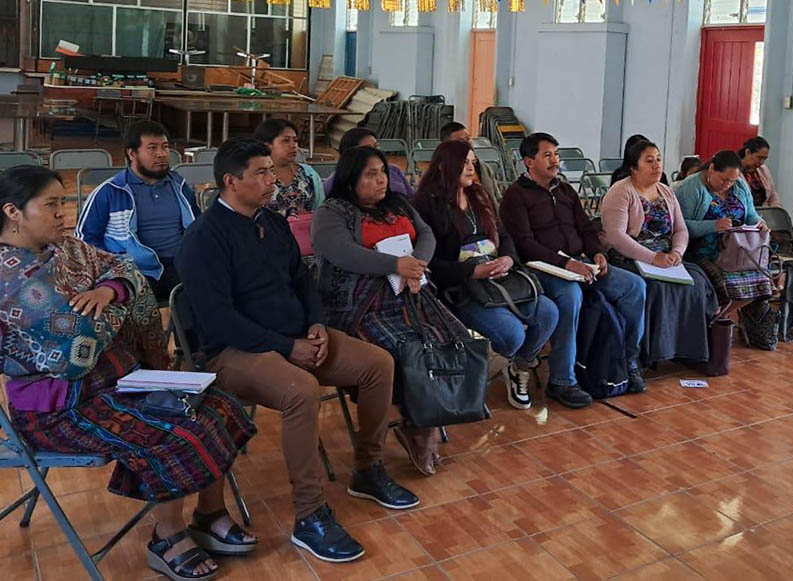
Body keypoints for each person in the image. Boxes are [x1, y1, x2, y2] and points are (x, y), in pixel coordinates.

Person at [1, 165, 256, 581]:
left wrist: (108, 291)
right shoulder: (9, 279)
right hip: (60, 409)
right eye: (51, 205)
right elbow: (78, 346)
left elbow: (126, 269)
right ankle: (167, 536)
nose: (63, 213)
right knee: (174, 429)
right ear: (13, 212)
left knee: (216, 405)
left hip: (114, 382)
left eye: (63, 202)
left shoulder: (66, 248)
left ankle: (209, 515)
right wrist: (122, 299)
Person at [177, 138, 418, 565]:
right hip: (233, 352)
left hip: (296, 337)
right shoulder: (203, 238)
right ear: (231, 182)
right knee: (300, 390)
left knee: (378, 363)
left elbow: (302, 280)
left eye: (271, 170)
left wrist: (316, 324)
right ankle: (310, 515)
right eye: (262, 173)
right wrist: (288, 347)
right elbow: (218, 321)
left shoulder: (271, 222)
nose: (273, 180)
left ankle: (368, 469)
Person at [313, 145, 477, 473]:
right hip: (361, 303)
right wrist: (395, 265)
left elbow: (426, 236)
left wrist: (416, 266)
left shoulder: (398, 204)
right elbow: (343, 252)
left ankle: (425, 420)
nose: (381, 180)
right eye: (371, 174)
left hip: (411, 293)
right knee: (408, 350)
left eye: (383, 173)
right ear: (350, 179)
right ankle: (420, 426)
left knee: (452, 338)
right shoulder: (332, 212)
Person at [500, 132, 647, 407]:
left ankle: (628, 362)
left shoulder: (565, 190)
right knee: (570, 296)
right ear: (529, 162)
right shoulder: (515, 196)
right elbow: (524, 244)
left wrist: (597, 253)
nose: (555, 160)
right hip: (542, 268)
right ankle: (562, 380)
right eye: (547, 155)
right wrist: (566, 263)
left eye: (556, 154)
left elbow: (585, 228)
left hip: (581, 262)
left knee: (634, 286)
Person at [411, 140, 560, 409]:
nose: (472, 168)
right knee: (511, 334)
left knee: (548, 312)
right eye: (465, 163)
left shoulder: (479, 194)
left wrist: (508, 258)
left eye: (473, 162)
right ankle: (498, 364)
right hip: (462, 286)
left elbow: (504, 235)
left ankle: (518, 365)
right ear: (445, 166)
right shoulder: (426, 203)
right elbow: (429, 262)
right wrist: (471, 270)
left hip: (500, 276)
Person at [601, 140, 717, 365]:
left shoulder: (665, 191)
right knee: (657, 289)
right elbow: (616, 237)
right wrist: (653, 258)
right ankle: (651, 353)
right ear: (633, 167)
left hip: (665, 256)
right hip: (632, 256)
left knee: (697, 283)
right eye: (649, 161)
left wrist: (677, 252)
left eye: (658, 159)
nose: (657, 165)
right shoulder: (621, 192)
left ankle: (686, 351)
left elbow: (681, 229)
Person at [76, 120, 199, 304]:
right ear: (132, 154)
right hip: (134, 270)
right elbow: (85, 241)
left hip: (180, 265)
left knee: (209, 298)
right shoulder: (110, 192)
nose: (161, 154)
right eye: (152, 148)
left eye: (165, 147)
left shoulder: (179, 186)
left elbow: (199, 227)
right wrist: (112, 266)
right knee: (121, 303)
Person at [676, 151, 774, 311]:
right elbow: (679, 226)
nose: (727, 185)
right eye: (724, 179)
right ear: (712, 169)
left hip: (737, 251)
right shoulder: (690, 188)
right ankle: (716, 317)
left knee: (763, 280)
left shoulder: (740, 185)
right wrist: (713, 226)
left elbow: (751, 214)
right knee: (725, 284)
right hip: (701, 252)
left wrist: (759, 224)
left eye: (732, 181)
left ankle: (721, 317)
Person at [253, 118, 324, 218]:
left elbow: (320, 210)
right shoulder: (256, 176)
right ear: (267, 145)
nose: (293, 145)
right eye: (286, 141)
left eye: (295, 140)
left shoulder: (308, 174)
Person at [323, 127, 414, 199]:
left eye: (376, 146)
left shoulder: (393, 170)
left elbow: (412, 198)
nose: (375, 151)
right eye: (368, 148)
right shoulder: (335, 181)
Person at [439, 121, 499, 201]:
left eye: (468, 138)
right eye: (460, 141)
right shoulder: (441, 171)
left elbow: (496, 197)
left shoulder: (484, 167)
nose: (467, 143)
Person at [738, 136, 782, 208]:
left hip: (763, 212)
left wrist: (777, 210)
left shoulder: (763, 170)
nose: (762, 162)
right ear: (748, 152)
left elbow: (773, 196)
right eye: (759, 157)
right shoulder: (733, 172)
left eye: (764, 159)